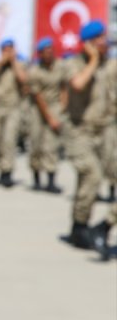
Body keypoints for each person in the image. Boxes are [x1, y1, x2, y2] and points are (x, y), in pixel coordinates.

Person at [64, 20, 117, 249]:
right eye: (101, 39)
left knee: (91, 179)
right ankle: (80, 226)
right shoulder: (74, 64)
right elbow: (78, 84)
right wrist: (93, 60)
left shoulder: (111, 66)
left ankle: (90, 225)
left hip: (105, 130)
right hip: (80, 131)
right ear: (90, 43)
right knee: (92, 175)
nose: (106, 43)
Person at [0, 38, 27, 188]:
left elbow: (23, 80)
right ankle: (1, 168)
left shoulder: (19, 65)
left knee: (9, 140)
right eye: (5, 50)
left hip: (13, 108)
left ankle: (8, 171)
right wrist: (1, 63)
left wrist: (13, 62)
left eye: (10, 50)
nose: (8, 53)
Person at [27, 37, 66, 193]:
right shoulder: (35, 71)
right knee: (36, 143)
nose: (49, 54)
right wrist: (49, 117)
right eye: (45, 52)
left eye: (51, 51)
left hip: (55, 106)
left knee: (52, 144)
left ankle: (51, 180)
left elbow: (64, 88)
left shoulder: (60, 67)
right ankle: (36, 177)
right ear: (40, 54)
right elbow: (38, 96)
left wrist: (62, 108)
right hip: (38, 109)